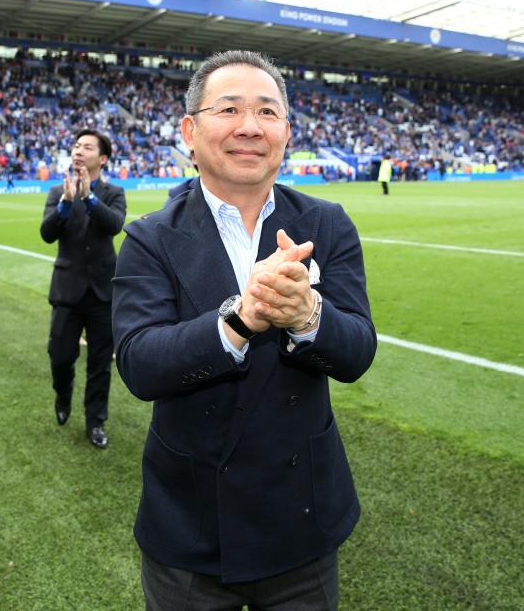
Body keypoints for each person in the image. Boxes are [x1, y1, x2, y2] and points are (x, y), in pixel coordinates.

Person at [112, 51, 376, 610]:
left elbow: (356, 353)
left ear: (285, 130)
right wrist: (241, 319)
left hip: (301, 521)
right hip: (190, 528)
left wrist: (308, 317)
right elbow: (139, 362)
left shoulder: (326, 223)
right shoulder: (149, 238)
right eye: (228, 108)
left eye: (267, 112)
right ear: (190, 130)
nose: (249, 127)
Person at [40, 130, 126, 448]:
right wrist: (66, 201)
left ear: (102, 158)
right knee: (60, 356)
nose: (78, 151)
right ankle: (63, 396)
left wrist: (89, 197)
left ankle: (95, 421)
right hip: (67, 290)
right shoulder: (57, 191)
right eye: (76, 146)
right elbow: (47, 233)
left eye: (87, 147)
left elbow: (114, 224)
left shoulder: (113, 192)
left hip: (104, 291)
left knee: (100, 363)